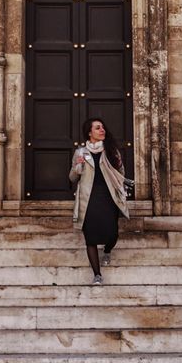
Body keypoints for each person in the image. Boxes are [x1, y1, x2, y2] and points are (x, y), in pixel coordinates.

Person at [69, 117, 130, 284]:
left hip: (109, 196)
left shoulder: (111, 150)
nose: (102, 130)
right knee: (91, 237)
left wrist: (118, 164)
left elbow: (121, 174)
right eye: (97, 128)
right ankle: (97, 275)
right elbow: (72, 178)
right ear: (90, 133)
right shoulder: (80, 153)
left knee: (112, 233)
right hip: (88, 198)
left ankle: (108, 250)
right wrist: (78, 166)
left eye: (102, 127)